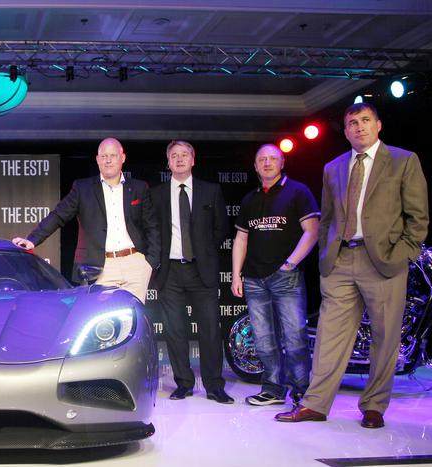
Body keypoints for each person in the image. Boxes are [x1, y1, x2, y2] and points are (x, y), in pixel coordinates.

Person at [276, 103, 428, 428]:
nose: (359, 127)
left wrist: (402, 255)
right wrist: (326, 256)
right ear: (345, 131)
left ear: (378, 125)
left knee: (384, 338)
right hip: (341, 260)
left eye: (365, 120)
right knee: (329, 337)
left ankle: (374, 406)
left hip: (384, 261)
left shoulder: (403, 160)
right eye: (352, 123)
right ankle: (315, 404)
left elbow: (418, 219)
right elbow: (326, 218)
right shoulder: (333, 167)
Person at [12, 137, 159, 302]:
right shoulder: (83, 188)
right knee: (100, 315)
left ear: (122, 158)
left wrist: (149, 263)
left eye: (113, 155)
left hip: (135, 263)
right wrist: (32, 240)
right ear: (97, 159)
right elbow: (59, 215)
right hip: (100, 266)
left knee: (135, 313)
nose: (108, 160)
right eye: (104, 156)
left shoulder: (139, 188)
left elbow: (151, 226)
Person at [232, 144, 319, 406]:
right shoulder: (250, 199)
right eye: (262, 160)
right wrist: (236, 275)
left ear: (282, 163)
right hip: (254, 279)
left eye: (273, 159)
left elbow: (312, 231)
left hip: (286, 278)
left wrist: (290, 263)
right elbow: (241, 239)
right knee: (263, 339)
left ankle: (302, 391)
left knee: (295, 337)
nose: (267, 163)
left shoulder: (298, 191)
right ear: (255, 166)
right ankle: (272, 389)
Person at [150, 141, 232, 404]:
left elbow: (221, 229)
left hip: (201, 270)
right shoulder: (157, 194)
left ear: (193, 160)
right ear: (168, 163)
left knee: (210, 330)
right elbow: (151, 230)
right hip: (170, 271)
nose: (179, 159)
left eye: (184, 155)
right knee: (175, 330)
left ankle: (214, 385)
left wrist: (204, 252)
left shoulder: (211, 191)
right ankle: (183, 383)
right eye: (174, 156)